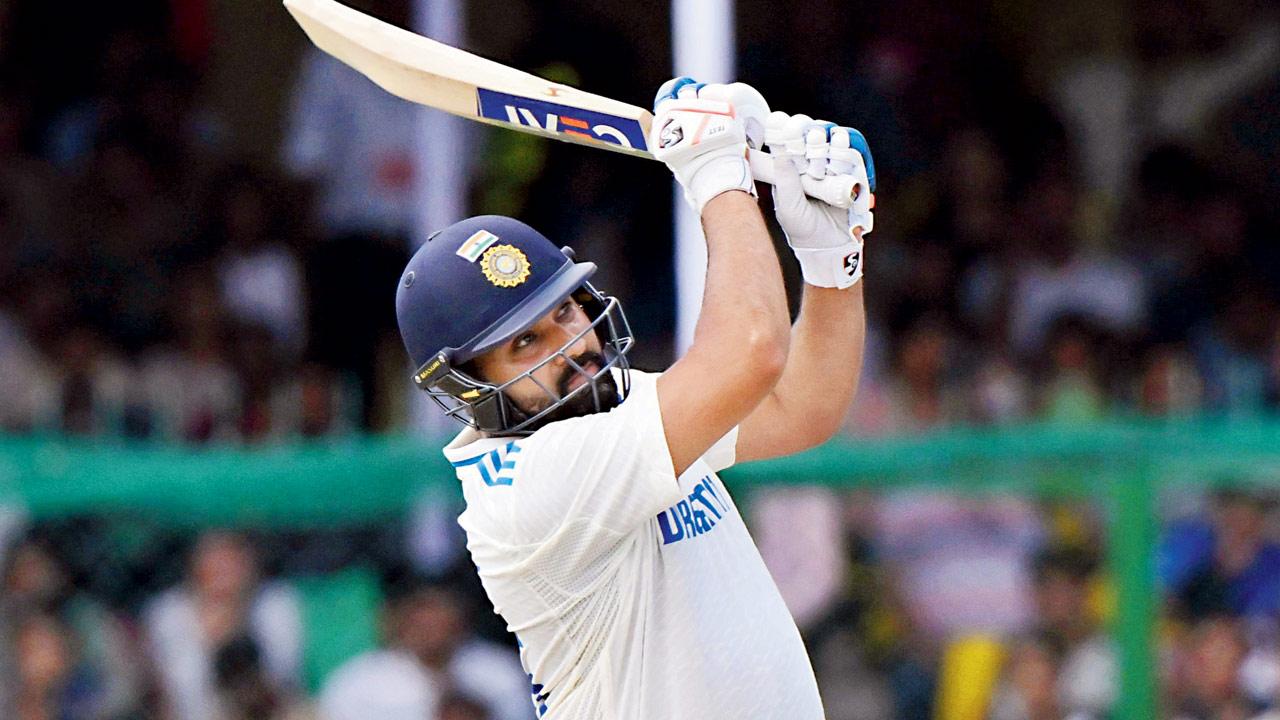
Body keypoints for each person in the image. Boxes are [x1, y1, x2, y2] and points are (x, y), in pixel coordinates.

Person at [394, 77, 874, 718]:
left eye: (566, 310)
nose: (569, 344)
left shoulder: (618, 408)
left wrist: (830, 256)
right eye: (526, 342)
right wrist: (714, 173)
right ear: (467, 386)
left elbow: (801, 410)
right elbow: (754, 350)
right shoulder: (532, 487)